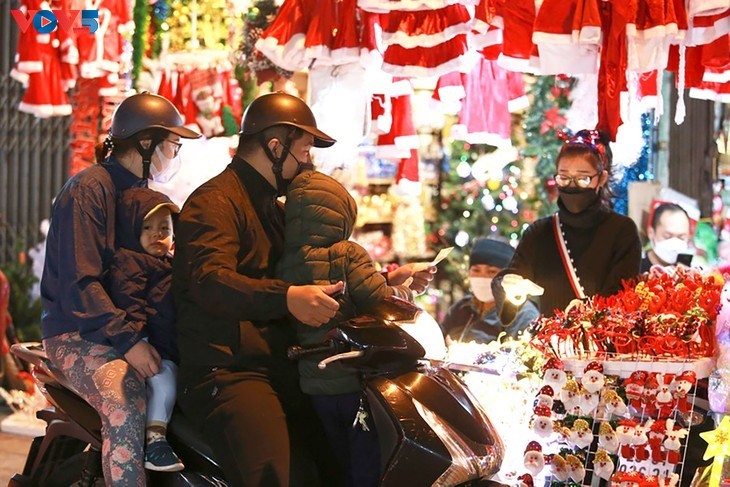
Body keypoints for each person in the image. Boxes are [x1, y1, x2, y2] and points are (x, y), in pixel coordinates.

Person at [172, 92, 434, 486]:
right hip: (229, 372)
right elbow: (211, 282)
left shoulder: (278, 209)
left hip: (286, 367)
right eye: (305, 150)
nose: (308, 162)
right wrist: (287, 298)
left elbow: (312, 267)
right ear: (275, 147)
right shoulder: (214, 202)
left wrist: (383, 281)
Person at [40, 92, 200, 485]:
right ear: (145, 143)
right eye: (171, 145)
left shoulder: (142, 193)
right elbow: (81, 283)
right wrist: (130, 341)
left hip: (126, 328)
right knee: (126, 402)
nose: (173, 154)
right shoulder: (89, 190)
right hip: (75, 333)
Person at [276, 169, 412, 487]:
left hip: (312, 380)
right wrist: (404, 291)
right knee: (365, 457)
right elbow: (377, 298)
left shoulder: (283, 264)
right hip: (353, 379)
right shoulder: (346, 253)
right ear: (341, 215)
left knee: (335, 457)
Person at [496, 129, 642, 322]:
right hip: (551, 346)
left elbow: (622, 299)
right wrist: (509, 286)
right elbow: (511, 288)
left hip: (607, 348)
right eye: (563, 177)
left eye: (583, 179)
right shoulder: (539, 233)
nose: (572, 186)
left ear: (602, 178)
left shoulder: (622, 231)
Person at [107, 187, 184, 472]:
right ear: (130, 230)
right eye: (147, 227)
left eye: (164, 228)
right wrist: (138, 339)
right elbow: (129, 300)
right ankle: (155, 443)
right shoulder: (130, 261)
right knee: (164, 383)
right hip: (148, 347)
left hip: (167, 344)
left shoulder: (168, 263)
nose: (157, 234)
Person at [440, 237, 539, 344]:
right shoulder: (462, 307)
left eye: (492, 271)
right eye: (476, 270)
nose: (482, 277)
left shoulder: (524, 314)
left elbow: (526, 356)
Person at [641, 202, 693, 272]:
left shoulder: (691, 273)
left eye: (681, 238)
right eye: (667, 236)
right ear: (651, 233)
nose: (674, 243)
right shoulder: (636, 269)